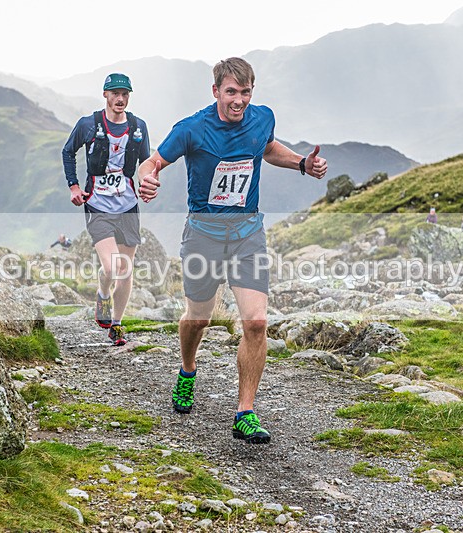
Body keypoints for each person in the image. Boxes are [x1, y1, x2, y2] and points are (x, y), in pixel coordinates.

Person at [137, 57, 327, 445]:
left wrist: (301, 164)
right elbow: (153, 161)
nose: (238, 100)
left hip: (247, 234)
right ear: (215, 91)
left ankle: (245, 413)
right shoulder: (192, 128)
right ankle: (187, 369)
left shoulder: (262, 118)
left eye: (245, 92)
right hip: (203, 237)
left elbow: (267, 148)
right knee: (198, 319)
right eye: (230, 92)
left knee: (255, 322)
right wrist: (147, 178)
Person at [62, 72, 150, 347]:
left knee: (125, 269)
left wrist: (148, 182)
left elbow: (146, 162)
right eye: (115, 94)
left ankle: (117, 325)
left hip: (128, 205)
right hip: (97, 204)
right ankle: (102, 294)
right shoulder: (88, 124)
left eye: (125, 94)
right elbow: (68, 151)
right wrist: (74, 187)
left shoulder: (138, 127)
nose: (120, 99)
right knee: (111, 266)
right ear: (105, 95)